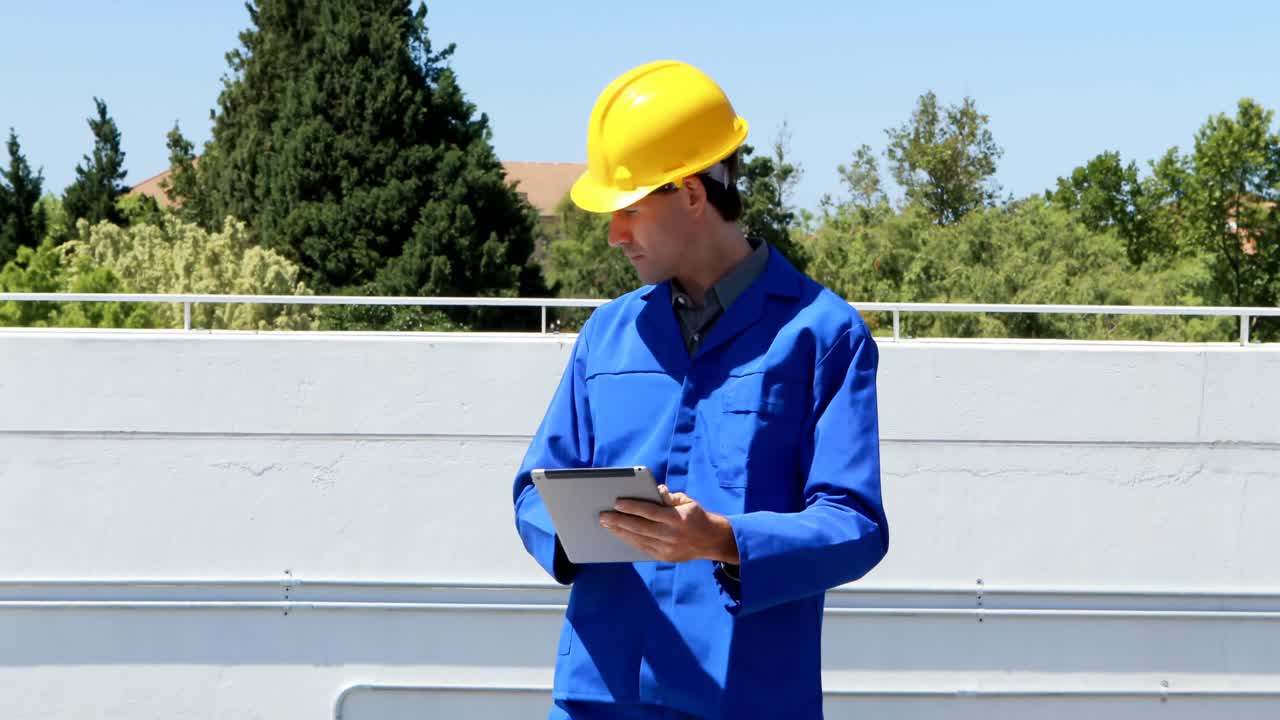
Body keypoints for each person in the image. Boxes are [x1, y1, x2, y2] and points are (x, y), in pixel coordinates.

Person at [512, 59, 889, 719]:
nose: (613, 234)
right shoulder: (607, 335)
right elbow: (533, 488)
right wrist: (576, 527)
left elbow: (855, 524)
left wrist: (720, 539)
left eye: (629, 209)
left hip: (746, 697)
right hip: (602, 695)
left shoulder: (823, 335)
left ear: (690, 193)